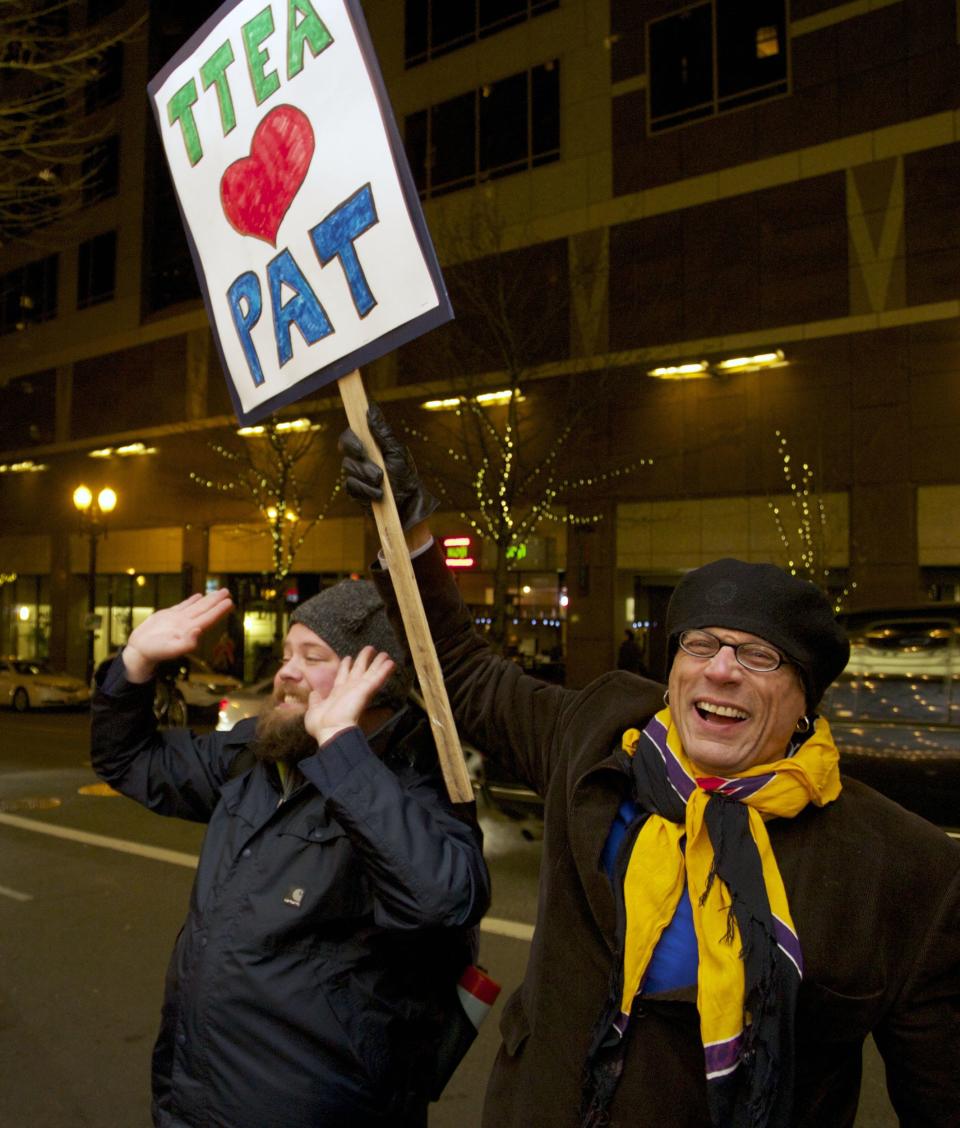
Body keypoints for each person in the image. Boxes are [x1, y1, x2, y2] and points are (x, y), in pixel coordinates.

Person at [340, 406, 960, 1128]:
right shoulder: (598, 733)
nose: (721, 670)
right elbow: (462, 672)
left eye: (759, 656)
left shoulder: (905, 872)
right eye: (700, 645)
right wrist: (404, 527)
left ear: (805, 702)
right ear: (672, 672)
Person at [90, 578, 490, 1128]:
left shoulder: (416, 781)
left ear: (373, 678)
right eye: (285, 654)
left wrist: (341, 750)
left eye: (312, 656)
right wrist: (134, 662)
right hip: (192, 1098)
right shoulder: (257, 755)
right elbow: (131, 760)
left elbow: (443, 898)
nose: (286, 672)